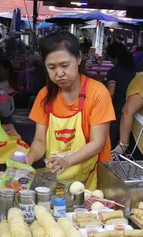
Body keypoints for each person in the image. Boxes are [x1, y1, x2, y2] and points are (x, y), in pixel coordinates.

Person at [28, 32, 114, 189]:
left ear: (79, 58)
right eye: (52, 67)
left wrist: (67, 161)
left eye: (65, 65)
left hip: (93, 179)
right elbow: (40, 141)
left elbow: (98, 143)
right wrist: (28, 158)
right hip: (56, 180)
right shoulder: (44, 96)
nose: (59, 73)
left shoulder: (97, 92)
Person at [106, 42, 136, 147]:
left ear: (115, 58)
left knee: (114, 148)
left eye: (110, 58)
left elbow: (110, 94)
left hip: (116, 115)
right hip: (134, 116)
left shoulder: (113, 72)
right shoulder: (135, 72)